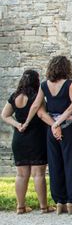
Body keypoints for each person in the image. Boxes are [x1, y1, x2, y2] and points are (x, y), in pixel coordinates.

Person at [23, 56, 72, 215]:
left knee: (55, 164)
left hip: (51, 128)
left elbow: (37, 108)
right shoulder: (69, 84)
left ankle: (59, 201)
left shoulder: (44, 85)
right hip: (67, 127)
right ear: (66, 68)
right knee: (71, 163)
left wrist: (28, 122)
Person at [1, 70, 53, 214]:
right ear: (36, 81)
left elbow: (4, 115)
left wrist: (17, 125)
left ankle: (20, 206)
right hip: (36, 137)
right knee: (38, 174)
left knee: (21, 174)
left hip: (19, 137)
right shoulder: (37, 97)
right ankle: (43, 206)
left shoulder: (14, 97)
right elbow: (42, 114)